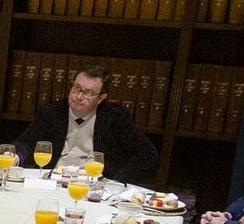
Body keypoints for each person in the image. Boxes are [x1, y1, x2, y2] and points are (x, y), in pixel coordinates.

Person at [12, 65, 158, 184]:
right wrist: (16, 156)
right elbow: (26, 142)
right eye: (77, 88)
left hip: (95, 187)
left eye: (87, 93)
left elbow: (147, 154)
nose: (78, 96)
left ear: (101, 98)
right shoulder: (52, 112)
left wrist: (120, 181)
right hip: (53, 181)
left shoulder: (114, 117)